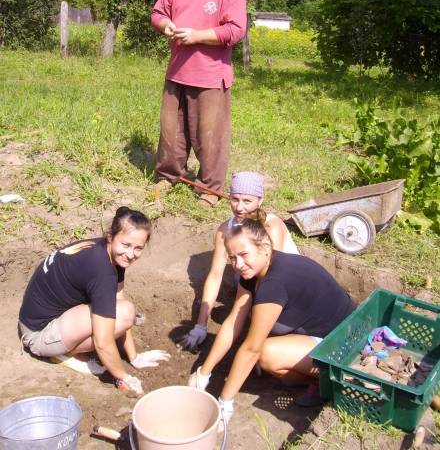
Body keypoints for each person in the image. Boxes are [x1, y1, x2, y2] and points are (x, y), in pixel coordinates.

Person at [189, 218, 356, 419]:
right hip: (323, 331)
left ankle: (330, 383)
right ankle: (317, 382)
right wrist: (203, 372)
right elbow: (234, 320)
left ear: (265, 248)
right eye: (232, 258)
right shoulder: (256, 270)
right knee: (263, 345)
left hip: (346, 344)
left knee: (265, 354)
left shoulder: (274, 283)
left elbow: (252, 349)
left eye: (243, 254)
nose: (238, 264)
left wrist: (224, 402)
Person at [18, 206, 170, 395]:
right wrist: (124, 377)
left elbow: (118, 302)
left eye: (138, 248)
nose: (131, 254)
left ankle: (65, 345)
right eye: (126, 245)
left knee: (124, 312)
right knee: (124, 315)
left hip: (40, 318)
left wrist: (134, 357)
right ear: (110, 236)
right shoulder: (101, 271)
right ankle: (62, 353)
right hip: (37, 335)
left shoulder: (106, 252)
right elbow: (103, 342)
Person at [151, 0, 247, 206]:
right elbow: (157, 13)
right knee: (171, 132)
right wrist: (166, 25)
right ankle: (169, 176)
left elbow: (235, 30)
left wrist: (196, 36)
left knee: (209, 136)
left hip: (210, 75)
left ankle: (210, 188)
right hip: (177, 71)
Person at [181, 171, 299, 351]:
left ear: (260, 200)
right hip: (253, 281)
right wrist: (200, 324)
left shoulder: (271, 226)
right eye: (235, 199)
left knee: (273, 325)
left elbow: (274, 276)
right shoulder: (224, 231)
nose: (239, 207)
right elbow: (215, 276)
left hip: (288, 285)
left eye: (247, 201)